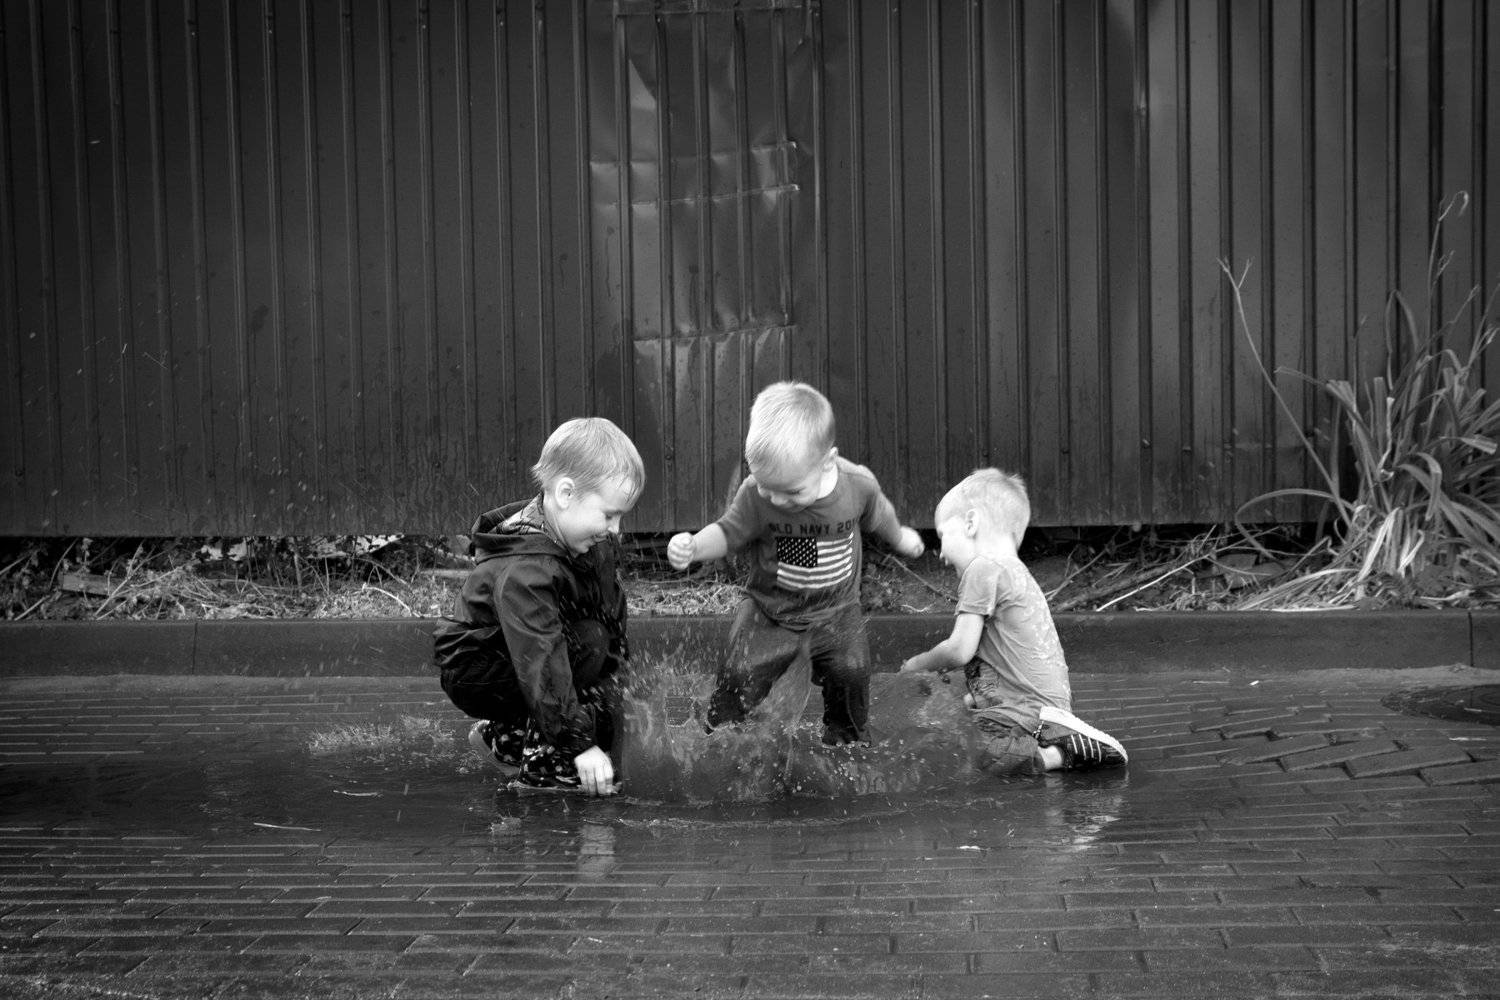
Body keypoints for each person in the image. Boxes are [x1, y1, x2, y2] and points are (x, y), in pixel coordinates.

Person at [667, 381, 926, 746]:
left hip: (836, 611)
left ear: (828, 462)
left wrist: (900, 538)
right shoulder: (754, 496)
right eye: (766, 486)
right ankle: (718, 736)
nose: (775, 499)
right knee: (739, 672)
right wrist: (694, 547)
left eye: (791, 491)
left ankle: (846, 742)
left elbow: (879, 514)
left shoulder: (856, 486)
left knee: (851, 671)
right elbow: (727, 532)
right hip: (769, 610)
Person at [433, 417, 643, 796]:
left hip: (528, 653)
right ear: (566, 494)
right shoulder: (525, 572)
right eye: (609, 514)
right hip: (479, 671)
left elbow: (612, 625)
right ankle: (546, 763)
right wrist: (579, 745)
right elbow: (540, 656)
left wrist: (619, 708)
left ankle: (507, 739)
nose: (615, 528)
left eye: (620, 517)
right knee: (587, 644)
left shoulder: (592, 544)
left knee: (597, 644)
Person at [899, 468, 1128, 774]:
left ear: (970, 523)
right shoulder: (1015, 573)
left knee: (951, 747)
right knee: (955, 724)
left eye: (942, 535)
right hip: (1043, 713)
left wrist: (917, 664)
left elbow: (958, 651)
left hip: (1024, 714)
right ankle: (1059, 744)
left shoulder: (983, 568)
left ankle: (1055, 756)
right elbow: (1009, 661)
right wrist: (975, 700)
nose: (940, 553)